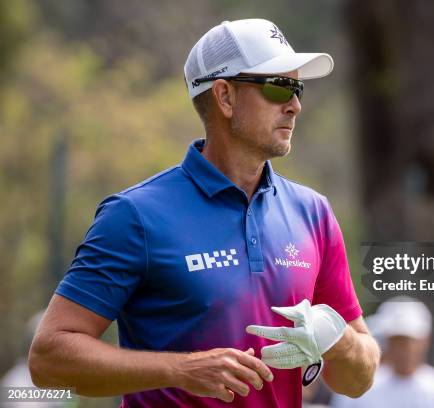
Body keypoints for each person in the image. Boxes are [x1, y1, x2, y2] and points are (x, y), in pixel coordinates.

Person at [28, 18, 379, 408]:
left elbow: (359, 379)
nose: (295, 105)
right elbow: (49, 359)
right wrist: (180, 370)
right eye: (278, 85)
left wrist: (337, 340)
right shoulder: (135, 215)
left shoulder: (313, 212)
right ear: (225, 96)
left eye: (297, 88)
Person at [331, 297, 434, 408]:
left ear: (426, 340)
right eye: (397, 340)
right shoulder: (356, 392)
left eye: (409, 340)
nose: (404, 348)